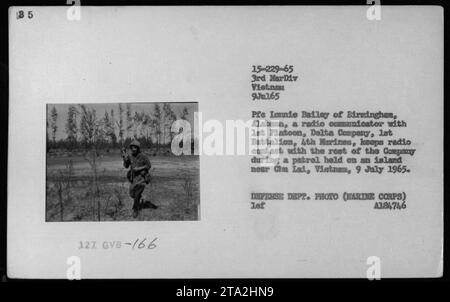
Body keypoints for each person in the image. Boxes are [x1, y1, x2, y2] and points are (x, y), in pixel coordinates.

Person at [122, 140, 157, 218]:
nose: (133, 149)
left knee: (137, 193)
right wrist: (125, 159)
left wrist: (139, 168)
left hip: (142, 178)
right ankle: (139, 199)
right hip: (133, 178)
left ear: (138, 148)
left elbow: (149, 165)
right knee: (132, 194)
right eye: (132, 147)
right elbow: (126, 166)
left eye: (135, 147)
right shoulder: (130, 156)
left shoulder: (143, 156)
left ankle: (135, 209)